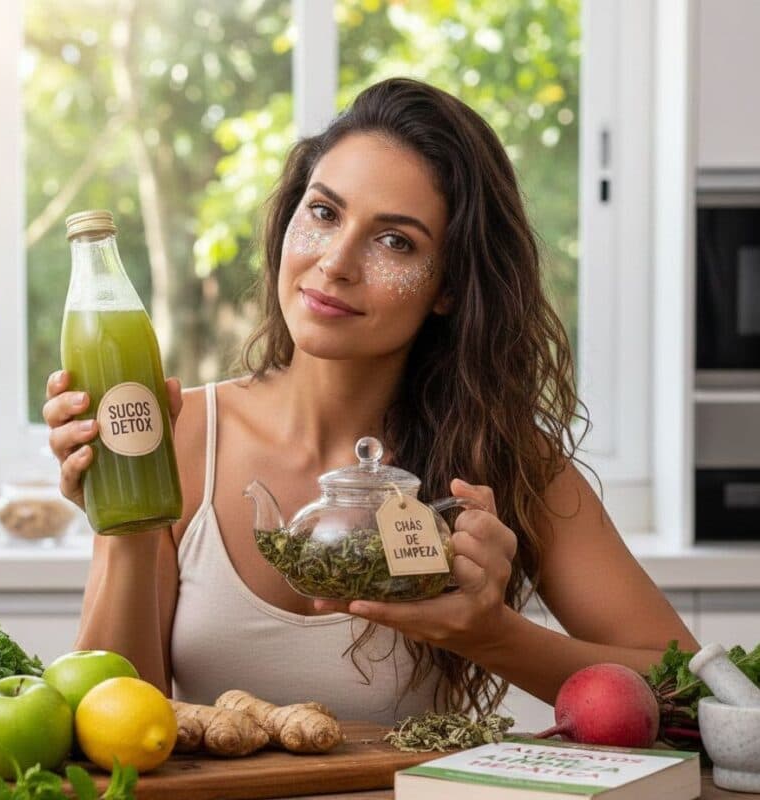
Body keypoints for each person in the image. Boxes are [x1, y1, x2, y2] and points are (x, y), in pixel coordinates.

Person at [43, 78, 698, 725]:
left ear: (447, 286)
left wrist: (489, 634)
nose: (335, 262)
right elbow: (111, 731)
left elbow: (694, 693)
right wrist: (122, 517)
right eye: (324, 213)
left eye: (396, 241)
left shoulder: (500, 460)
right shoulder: (181, 435)